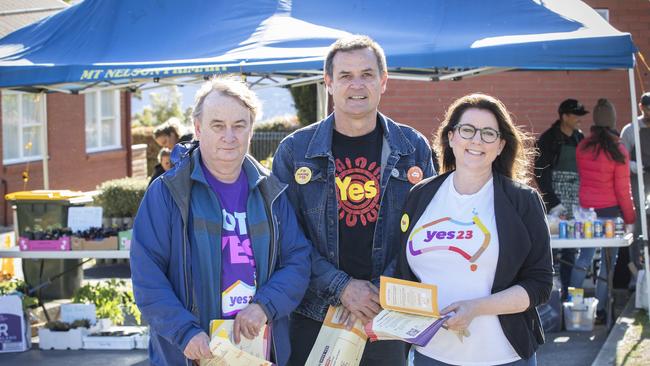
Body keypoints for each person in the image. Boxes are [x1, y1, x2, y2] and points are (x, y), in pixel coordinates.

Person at [272, 35, 435, 366]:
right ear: (328, 83)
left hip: (388, 316)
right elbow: (284, 238)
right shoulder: (295, 151)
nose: (356, 84)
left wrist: (377, 293)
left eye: (367, 74)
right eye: (345, 75)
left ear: (383, 81)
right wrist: (342, 288)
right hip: (315, 314)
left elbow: (424, 232)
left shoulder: (414, 147)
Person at [130, 78, 311, 366]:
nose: (230, 136)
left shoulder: (271, 192)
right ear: (198, 128)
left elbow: (298, 260)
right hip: (191, 354)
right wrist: (185, 333)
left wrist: (265, 306)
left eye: (239, 125)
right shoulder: (168, 193)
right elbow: (147, 276)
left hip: (256, 353)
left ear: (251, 130)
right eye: (218, 125)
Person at [396, 93, 553, 366]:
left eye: (488, 133)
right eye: (467, 130)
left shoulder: (522, 201)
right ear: (451, 137)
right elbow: (403, 274)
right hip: (431, 356)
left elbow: (540, 285)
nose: (476, 140)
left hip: (504, 356)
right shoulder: (420, 196)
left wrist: (476, 308)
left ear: (501, 145)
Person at [570, 98, 635, 323]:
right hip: (610, 214)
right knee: (608, 264)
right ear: (613, 121)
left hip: (586, 212)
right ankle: (601, 311)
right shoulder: (619, 150)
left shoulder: (583, 146)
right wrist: (630, 218)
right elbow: (623, 190)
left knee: (583, 258)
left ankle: (572, 305)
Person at [535, 98, 588, 298]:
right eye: (576, 116)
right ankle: (551, 298)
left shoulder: (579, 138)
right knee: (552, 253)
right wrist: (554, 202)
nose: (580, 120)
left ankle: (568, 297)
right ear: (564, 116)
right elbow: (540, 172)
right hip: (554, 206)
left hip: (575, 203)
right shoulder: (548, 139)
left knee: (571, 251)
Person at [620, 92, 650, 286]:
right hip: (637, 184)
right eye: (648, 109)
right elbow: (621, 158)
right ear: (641, 107)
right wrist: (637, 167)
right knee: (637, 230)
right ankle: (637, 278)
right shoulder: (630, 130)